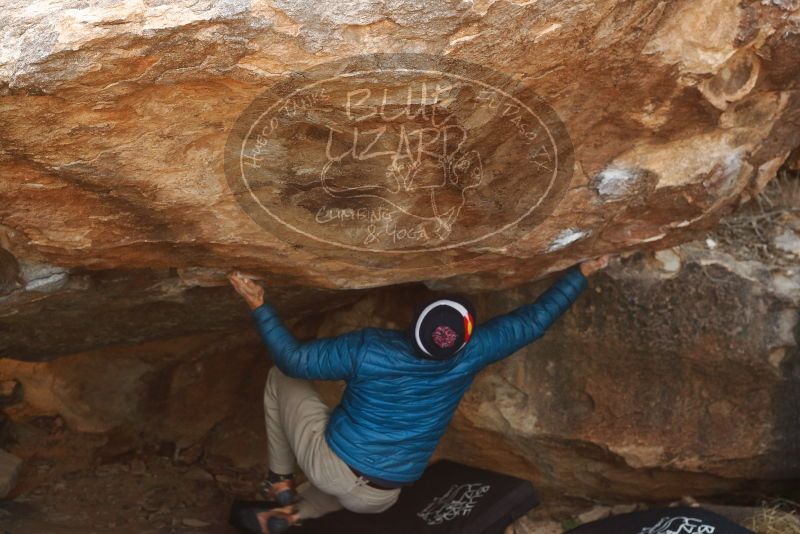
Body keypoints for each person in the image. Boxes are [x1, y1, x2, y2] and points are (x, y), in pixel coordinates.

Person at [228, 255, 611, 533]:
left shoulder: (371, 348)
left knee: (281, 377)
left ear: (413, 326)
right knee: (347, 488)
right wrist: (582, 273)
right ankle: (292, 516)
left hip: (334, 467)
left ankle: (278, 481)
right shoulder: (473, 351)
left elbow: (295, 359)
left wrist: (259, 305)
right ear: (466, 334)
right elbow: (533, 322)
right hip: (384, 493)